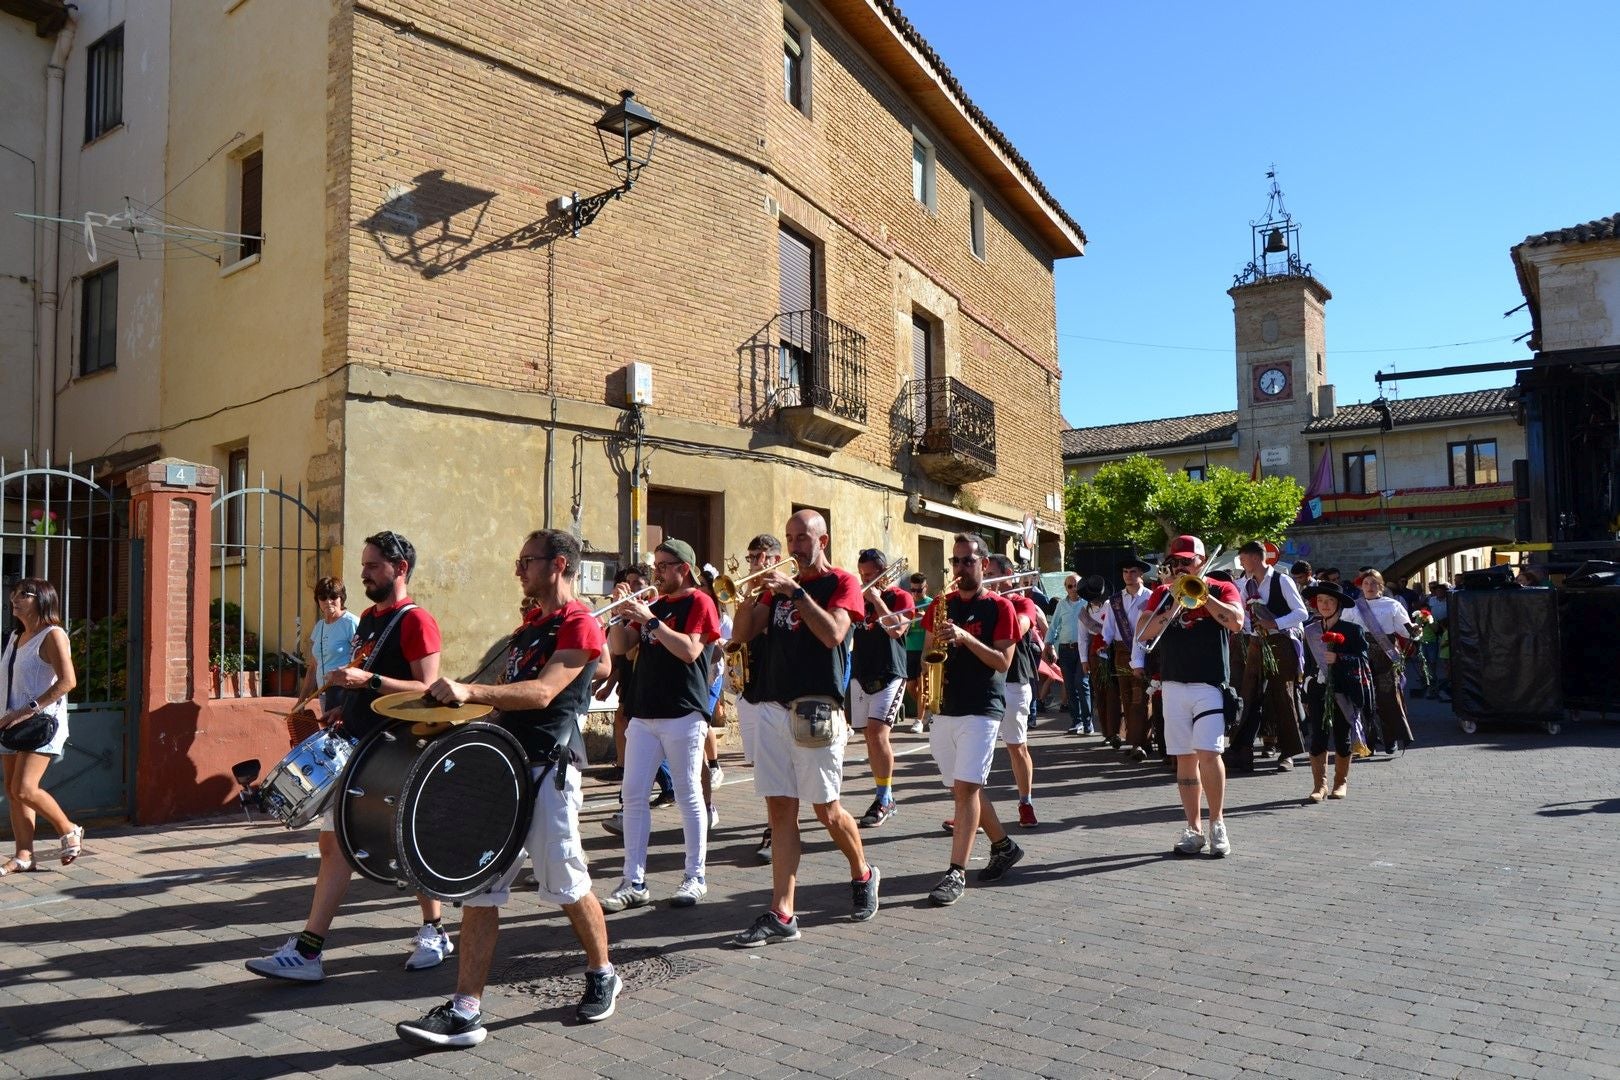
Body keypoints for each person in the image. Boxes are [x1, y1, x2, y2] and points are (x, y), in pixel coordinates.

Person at [395, 530, 619, 1047]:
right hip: (505, 770)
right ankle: (466, 1009)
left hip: (548, 770)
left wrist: (470, 689)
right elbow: (590, 667)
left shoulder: (579, 621)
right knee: (480, 888)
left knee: (567, 882)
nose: (518, 569)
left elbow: (542, 693)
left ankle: (603, 971)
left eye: (527, 561)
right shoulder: (534, 628)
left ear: (558, 564)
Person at [245, 530, 449, 981]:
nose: (364, 573)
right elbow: (366, 682)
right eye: (364, 565)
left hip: (396, 751)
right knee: (333, 845)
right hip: (358, 746)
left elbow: (427, 689)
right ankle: (310, 951)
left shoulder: (416, 620)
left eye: (373, 565)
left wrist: (366, 684)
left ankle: (433, 929)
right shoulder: (372, 621)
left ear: (400, 568)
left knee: (405, 844)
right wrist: (345, 705)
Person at [726, 509, 879, 945]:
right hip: (772, 705)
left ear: (823, 540)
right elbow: (742, 634)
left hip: (816, 708)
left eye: (802, 539)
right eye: (789, 538)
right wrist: (753, 594)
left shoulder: (842, 584)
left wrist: (796, 594)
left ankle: (863, 872)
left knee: (826, 810)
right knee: (779, 814)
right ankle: (783, 911)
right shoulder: (775, 590)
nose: (793, 547)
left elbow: (833, 633)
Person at [600, 539, 722, 911]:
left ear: (683, 568)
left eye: (664, 566)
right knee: (634, 796)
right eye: (656, 565)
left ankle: (695, 876)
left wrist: (650, 620)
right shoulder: (654, 603)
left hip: (683, 711)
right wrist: (621, 613)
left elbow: (690, 650)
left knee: (688, 795)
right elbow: (620, 646)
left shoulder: (698, 601)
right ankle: (633, 880)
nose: (657, 572)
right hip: (644, 712)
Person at [924, 534, 1027, 905]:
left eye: (968, 561)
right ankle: (1003, 845)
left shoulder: (1000, 608)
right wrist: (929, 684)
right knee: (962, 788)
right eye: (956, 561)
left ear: (984, 564)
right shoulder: (942, 604)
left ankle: (956, 872)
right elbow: (926, 654)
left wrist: (965, 637)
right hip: (946, 705)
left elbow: (1003, 662)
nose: (960, 568)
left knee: (966, 790)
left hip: (983, 707)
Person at [1136, 535, 1244, 858]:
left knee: (1209, 754)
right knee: (1184, 758)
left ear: (1202, 559)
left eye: (1188, 561)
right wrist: (1170, 599)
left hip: (1209, 684)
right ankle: (1193, 828)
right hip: (1172, 684)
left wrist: (1204, 596)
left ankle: (1218, 824)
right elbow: (1142, 632)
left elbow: (1236, 622)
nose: (1182, 566)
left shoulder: (1222, 587)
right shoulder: (1161, 593)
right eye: (1177, 561)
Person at [1, 579, 82, 876]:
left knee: (24, 789)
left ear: (43, 599)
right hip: (10, 723)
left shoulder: (53, 635)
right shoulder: (13, 638)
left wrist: (27, 710)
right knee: (12, 791)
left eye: (25, 594)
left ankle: (68, 828)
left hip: (39, 724)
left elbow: (67, 681)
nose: (15, 599)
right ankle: (24, 855)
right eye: (14, 594)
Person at [727, 534, 784, 864]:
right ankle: (776, 826)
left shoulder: (782, 595)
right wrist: (746, 601)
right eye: (750, 558)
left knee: (774, 769)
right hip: (751, 684)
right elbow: (738, 636)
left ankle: (775, 830)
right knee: (761, 766)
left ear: (775, 560)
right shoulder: (753, 595)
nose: (753, 564)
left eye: (759, 557)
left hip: (776, 690)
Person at [1229, 541, 1308, 774]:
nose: (1241, 563)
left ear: (1254, 558)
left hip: (1281, 643)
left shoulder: (1282, 580)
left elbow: (1301, 613)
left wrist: (1274, 623)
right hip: (1256, 643)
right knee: (1249, 695)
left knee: (1283, 697)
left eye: (1243, 558)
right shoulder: (1248, 584)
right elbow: (1243, 614)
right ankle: (1241, 750)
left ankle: (1289, 753)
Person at [849, 548, 913, 828]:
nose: (864, 580)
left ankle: (884, 797)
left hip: (890, 673)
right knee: (870, 738)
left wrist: (876, 600)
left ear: (884, 573)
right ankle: (885, 793)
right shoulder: (858, 597)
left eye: (870, 575)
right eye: (861, 575)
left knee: (878, 734)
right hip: (862, 674)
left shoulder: (900, 596)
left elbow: (897, 630)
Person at [1299, 581, 1373, 802]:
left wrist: (1340, 658)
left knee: (1342, 737)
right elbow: (1307, 664)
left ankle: (1341, 782)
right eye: (1321, 600)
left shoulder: (1353, 630)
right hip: (1318, 689)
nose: (1325, 605)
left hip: (1344, 690)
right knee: (1317, 736)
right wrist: (1304, 693)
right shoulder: (1310, 630)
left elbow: (1364, 661)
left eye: (1330, 601)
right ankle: (1319, 785)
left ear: (1338, 604)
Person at [985, 554, 1045, 826]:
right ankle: (970, 806)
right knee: (976, 749)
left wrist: (994, 602)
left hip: (1013, 682)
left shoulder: (1023, 602)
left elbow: (1017, 629)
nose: (986, 580)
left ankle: (1026, 802)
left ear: (1007, 574)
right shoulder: (978, 602)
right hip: (983, 682)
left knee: (1016, 746)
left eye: (991, 574)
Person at [1345, 569, 1414, 756]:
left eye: (1373, 583)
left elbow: (1406, 629)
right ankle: (1368, 741)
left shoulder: (1392, 605)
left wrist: (1417, 629)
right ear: (1361, 586)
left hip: (1386, 657)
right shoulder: (1353, 606)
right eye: (1366, 583)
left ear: (1381, 586)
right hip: (1361, 657)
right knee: (1364, 699)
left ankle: (1390, 739)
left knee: (1388, 698)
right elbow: (1343, 628)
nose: (1369, 587)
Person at [1102, 556, 1154, 760]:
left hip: (1144, 649)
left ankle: (1141, 742)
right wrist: (1103, 646)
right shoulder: (1114, 600)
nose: (1128, 575)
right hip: (1121, 652)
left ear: (1141, 574)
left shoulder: (1151, 597)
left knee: (1141, 698)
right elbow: (1108, 629)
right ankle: (1135, 740)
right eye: (1125, 572)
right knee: (1126, 697)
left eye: (1133, 571)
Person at [301, 576, 359, 714]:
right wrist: (302, 700)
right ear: (318, 600)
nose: (328, 602)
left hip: (344, 693)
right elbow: (313, 666)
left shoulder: (351, 623)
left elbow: (363, 659)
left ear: (341, 598)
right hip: (324, 694)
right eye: (323, 597)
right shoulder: (319, 626)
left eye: (333, 597)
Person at [1048, 573, 1092, 735]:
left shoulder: (1088, 603)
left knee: (1082, 683)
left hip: (1083, 649)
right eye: (1070, 586)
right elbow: (1053, 626)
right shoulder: (1061, 605)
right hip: (1065, 649)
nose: (1074, 589)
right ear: (1065, 588)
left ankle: (1087, 722)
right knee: (1070, 686)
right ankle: (1076, 721)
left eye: (1076, 585)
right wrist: (1048, 644)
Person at [902, 572, 931, 734]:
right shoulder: (908, 603)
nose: (915, 594)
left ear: (925, 588)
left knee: (922, 684)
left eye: (919, 591)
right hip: (909, 648)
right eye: (913, 590)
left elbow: (937, 624)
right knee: (911, 687)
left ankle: (919, 720)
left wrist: (925, 617)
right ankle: (926, 708)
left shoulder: (931, 603)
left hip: (924, 649)